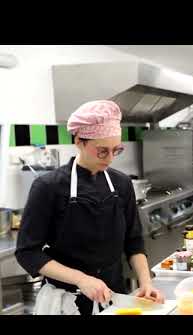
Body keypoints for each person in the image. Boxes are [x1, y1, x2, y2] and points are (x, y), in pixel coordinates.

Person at [16, 100, 164, 315]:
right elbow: (27, 252)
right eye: (102, 151)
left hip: (114, 298)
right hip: (67, 302)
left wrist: (146, 283)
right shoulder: (49, 187)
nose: (110, 159)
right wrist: (81, 279)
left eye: (116, 150)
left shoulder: (121, 184)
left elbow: (134, 242)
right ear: (79, 141)